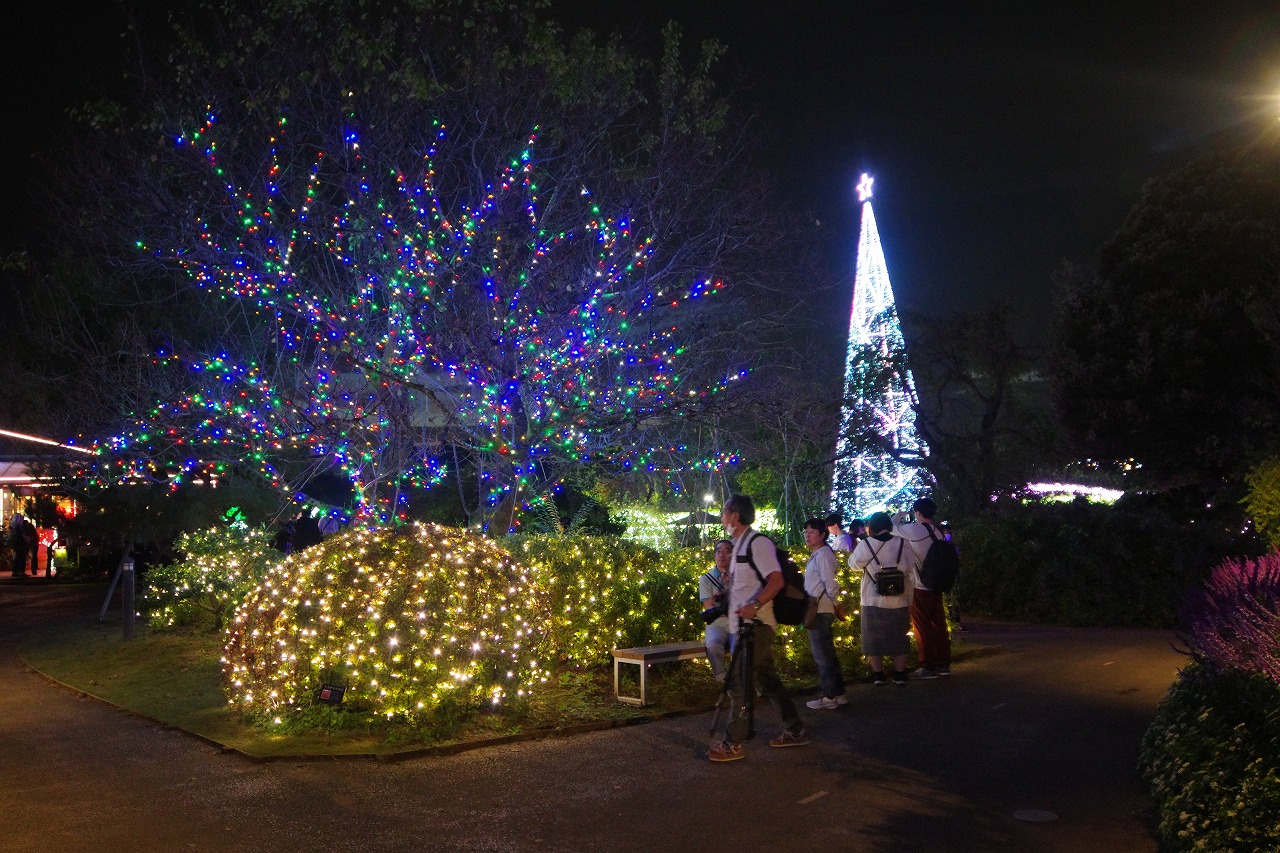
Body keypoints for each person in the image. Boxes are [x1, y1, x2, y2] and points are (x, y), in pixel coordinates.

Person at [707, 494, 808, 761]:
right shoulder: (739, 545)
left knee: (739, 682)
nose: (721, 516)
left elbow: (775, 581)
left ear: (735, 517)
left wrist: (754, 603)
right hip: (744, 626)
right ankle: (795, 728)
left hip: (757, 626)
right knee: (767, 680)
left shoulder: (757, 543)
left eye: (724, 511)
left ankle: (733, 742)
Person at [852, 511, 914, 685]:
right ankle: (899, 674)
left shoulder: (866, 544)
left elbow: (854, 564)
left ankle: (878, 675)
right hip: (900, 598)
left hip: (872, 599)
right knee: (900, 636)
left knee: (873, 637)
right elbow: (909, 567)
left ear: (872, 527)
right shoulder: (903, 542)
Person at [893, 497, 953, 678]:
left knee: (921, 626)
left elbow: (889, 527)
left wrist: (899, 515)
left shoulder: (914, 529)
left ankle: (927, 666)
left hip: (920, 585)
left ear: (917, 512)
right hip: (938, 584)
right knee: (939, 625)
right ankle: (943, 663)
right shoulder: (938, 532)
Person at [802, 517, 847, 709]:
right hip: (822, 608)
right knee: (828, 653)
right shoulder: (820, 554)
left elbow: (830, 583)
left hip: (821, 609)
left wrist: (836, 603)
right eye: (806, 532)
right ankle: (839, 693)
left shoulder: (823, 555)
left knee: (822, 655)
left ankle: (829, 697)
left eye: (812, 532)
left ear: (822, 534)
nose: (807, 535)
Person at [699, 539, 733, 683]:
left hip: (737, 622)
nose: (722, 555)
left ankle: (742, 680)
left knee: (741, 647)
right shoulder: (706, 579)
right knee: (712, 645)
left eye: (727, 551)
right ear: (714, 555)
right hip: (717, 623)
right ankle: (721, 678)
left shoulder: (739, 576)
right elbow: (709, 606)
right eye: (718, 551)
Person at [8, 514, 31, 579]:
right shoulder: (19, 527)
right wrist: (26, 539)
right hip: (19, 543)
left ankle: (15, 571)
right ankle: (21, 571)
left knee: (18, 557)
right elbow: (22, 535)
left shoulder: (13, 526)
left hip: (15, 543)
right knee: (21, 557)